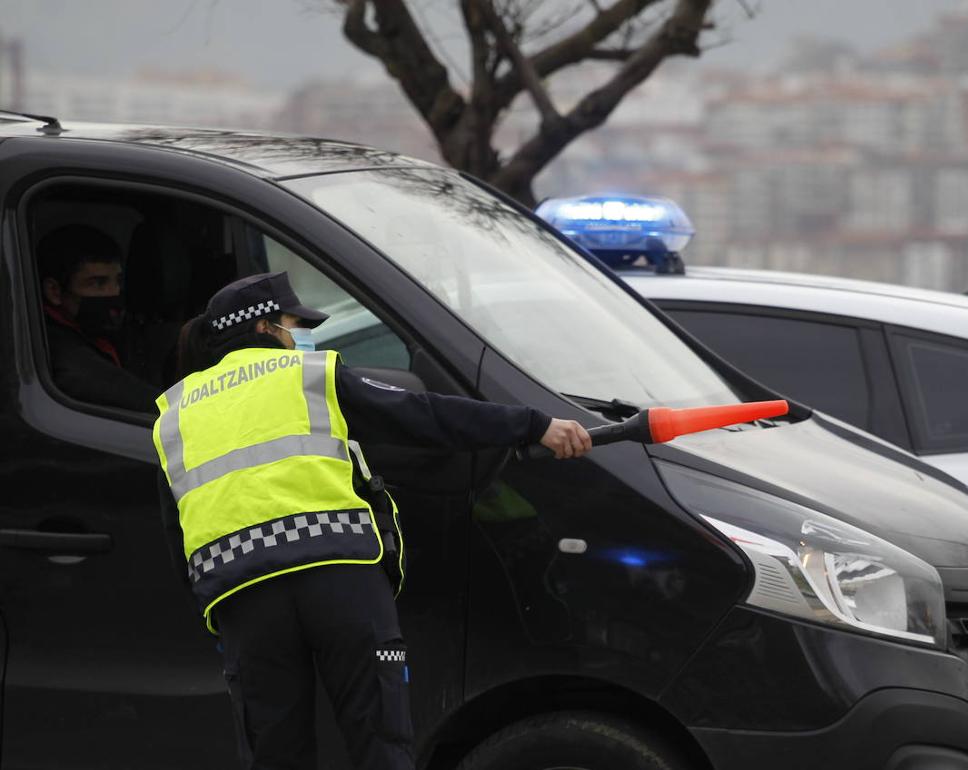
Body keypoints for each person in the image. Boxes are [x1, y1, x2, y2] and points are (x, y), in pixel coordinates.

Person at [153, 272, 591, 769]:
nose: (306, 333)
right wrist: (532, 424)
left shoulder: (173, 414)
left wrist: (219, 616)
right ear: (266, 327)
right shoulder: (307, 375)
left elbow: (178, 536)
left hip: (243, 602)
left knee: (274, 754)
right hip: (340, 581)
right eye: (299, 323)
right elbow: (422, 413)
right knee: (379, 742)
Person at [38, 224, 159, 412]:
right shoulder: (55, 350)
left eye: (118, 281)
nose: (114, 293)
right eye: (97, 283)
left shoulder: (107, 332)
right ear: (55, 292)